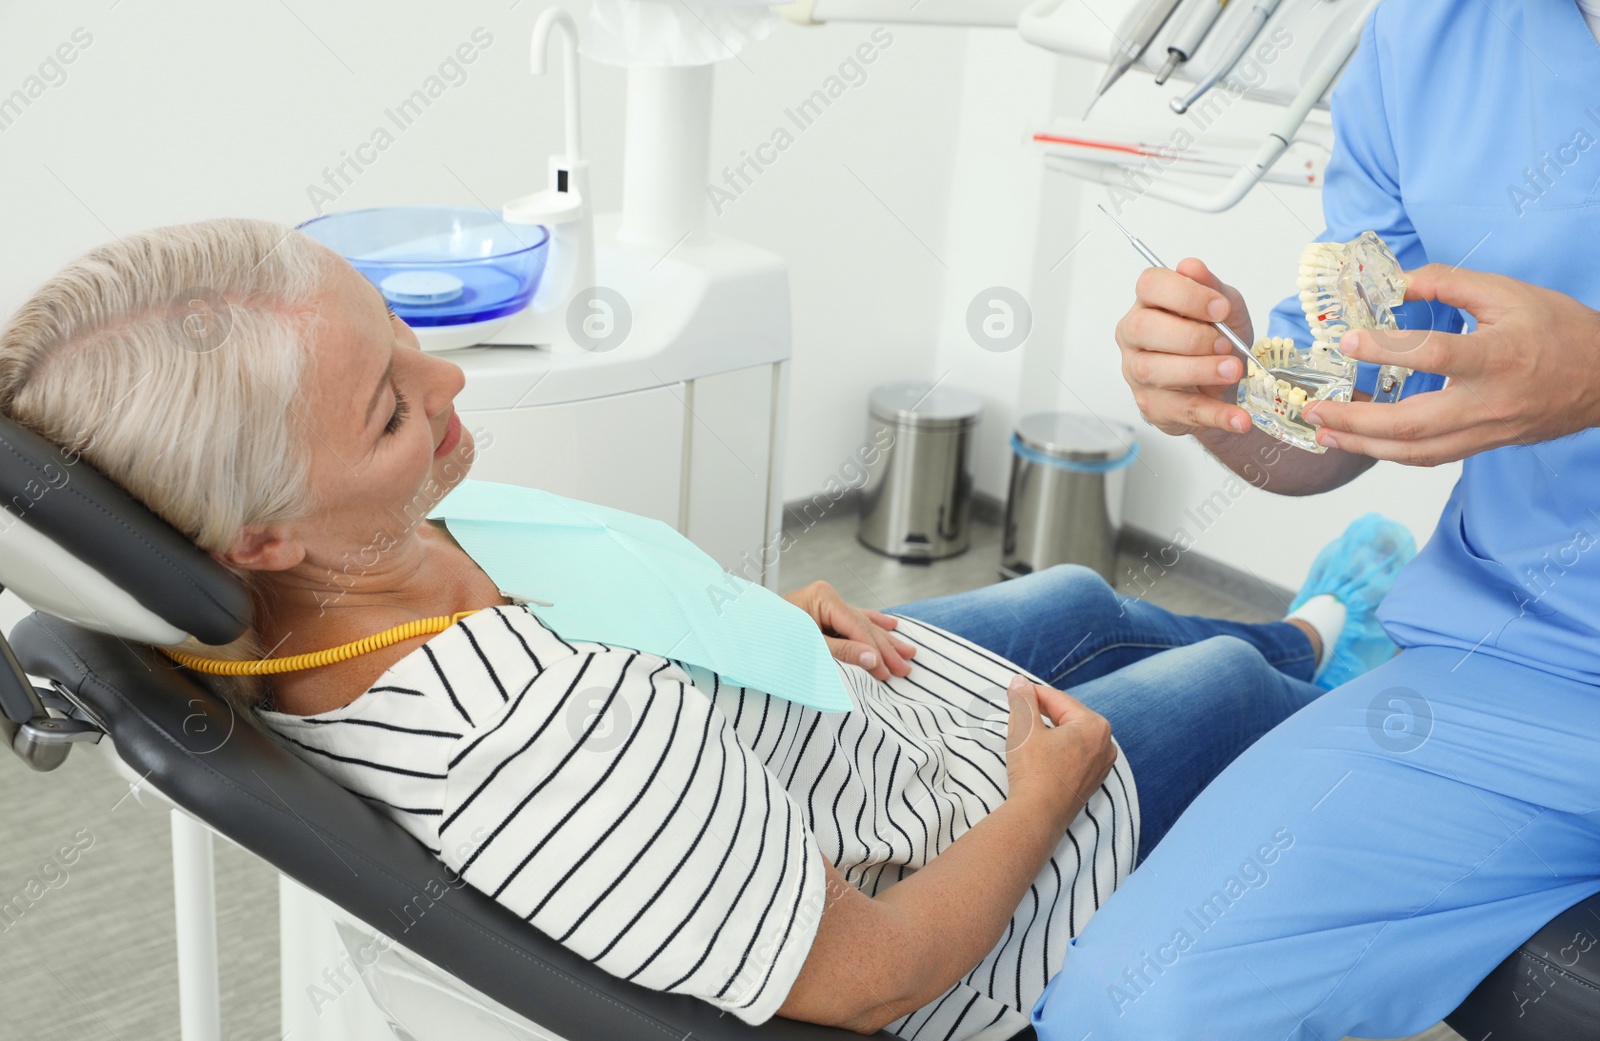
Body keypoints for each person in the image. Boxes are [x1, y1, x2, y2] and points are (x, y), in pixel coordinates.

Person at [0, 218, 1412, 1041]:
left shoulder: (301, 589)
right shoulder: (540, 750)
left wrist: (738, 622)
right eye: (385, 406)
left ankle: (1311, 638)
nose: (444, 381)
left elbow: (604, 648)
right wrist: (1049, 793)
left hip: (817, 718)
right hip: (959, 876)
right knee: (1214, 679)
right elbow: (876, 981)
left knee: (1083, 603)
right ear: (258, 537)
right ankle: (1333, 668)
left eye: (395, 335)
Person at [1033, 2, 1600, 1038]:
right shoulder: (1434, 33)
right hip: (1522, 676)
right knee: (1130, 1011)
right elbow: (1338, 409)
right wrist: (1230, 387)